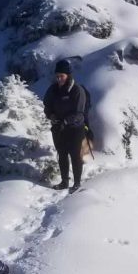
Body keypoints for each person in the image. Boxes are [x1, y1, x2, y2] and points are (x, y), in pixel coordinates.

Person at [43, 58, 89, 192]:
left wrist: (65, 121)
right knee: (62, 154)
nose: (59, 79)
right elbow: (47, 106)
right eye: (57, 76)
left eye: (61, 76)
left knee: (75, 155)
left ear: (68, 75)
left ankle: (77, 183)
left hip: (75, 129)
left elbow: (79, 113)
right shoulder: (52, 90)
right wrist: (51, 116)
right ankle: (64, 182)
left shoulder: (77, 90)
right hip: (58, 128)